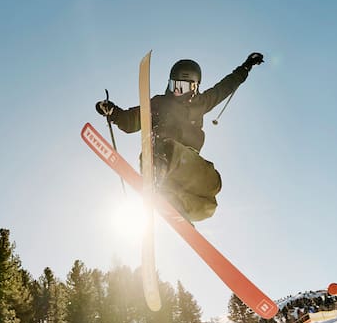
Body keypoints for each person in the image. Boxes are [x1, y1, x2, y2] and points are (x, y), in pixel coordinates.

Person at [95, 52, 264, 221]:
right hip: (159, 157)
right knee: (171, 151)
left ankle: (178, 207)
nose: (175, 91)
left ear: (194, 87)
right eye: (172, 85)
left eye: (181, 87)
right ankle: (157, 173)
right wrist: (113, 112)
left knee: (212, 194)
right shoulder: (160, 103)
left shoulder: (202, 103)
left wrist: (246, 66)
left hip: (186, 167)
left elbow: (225, 86)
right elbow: (131, 121)